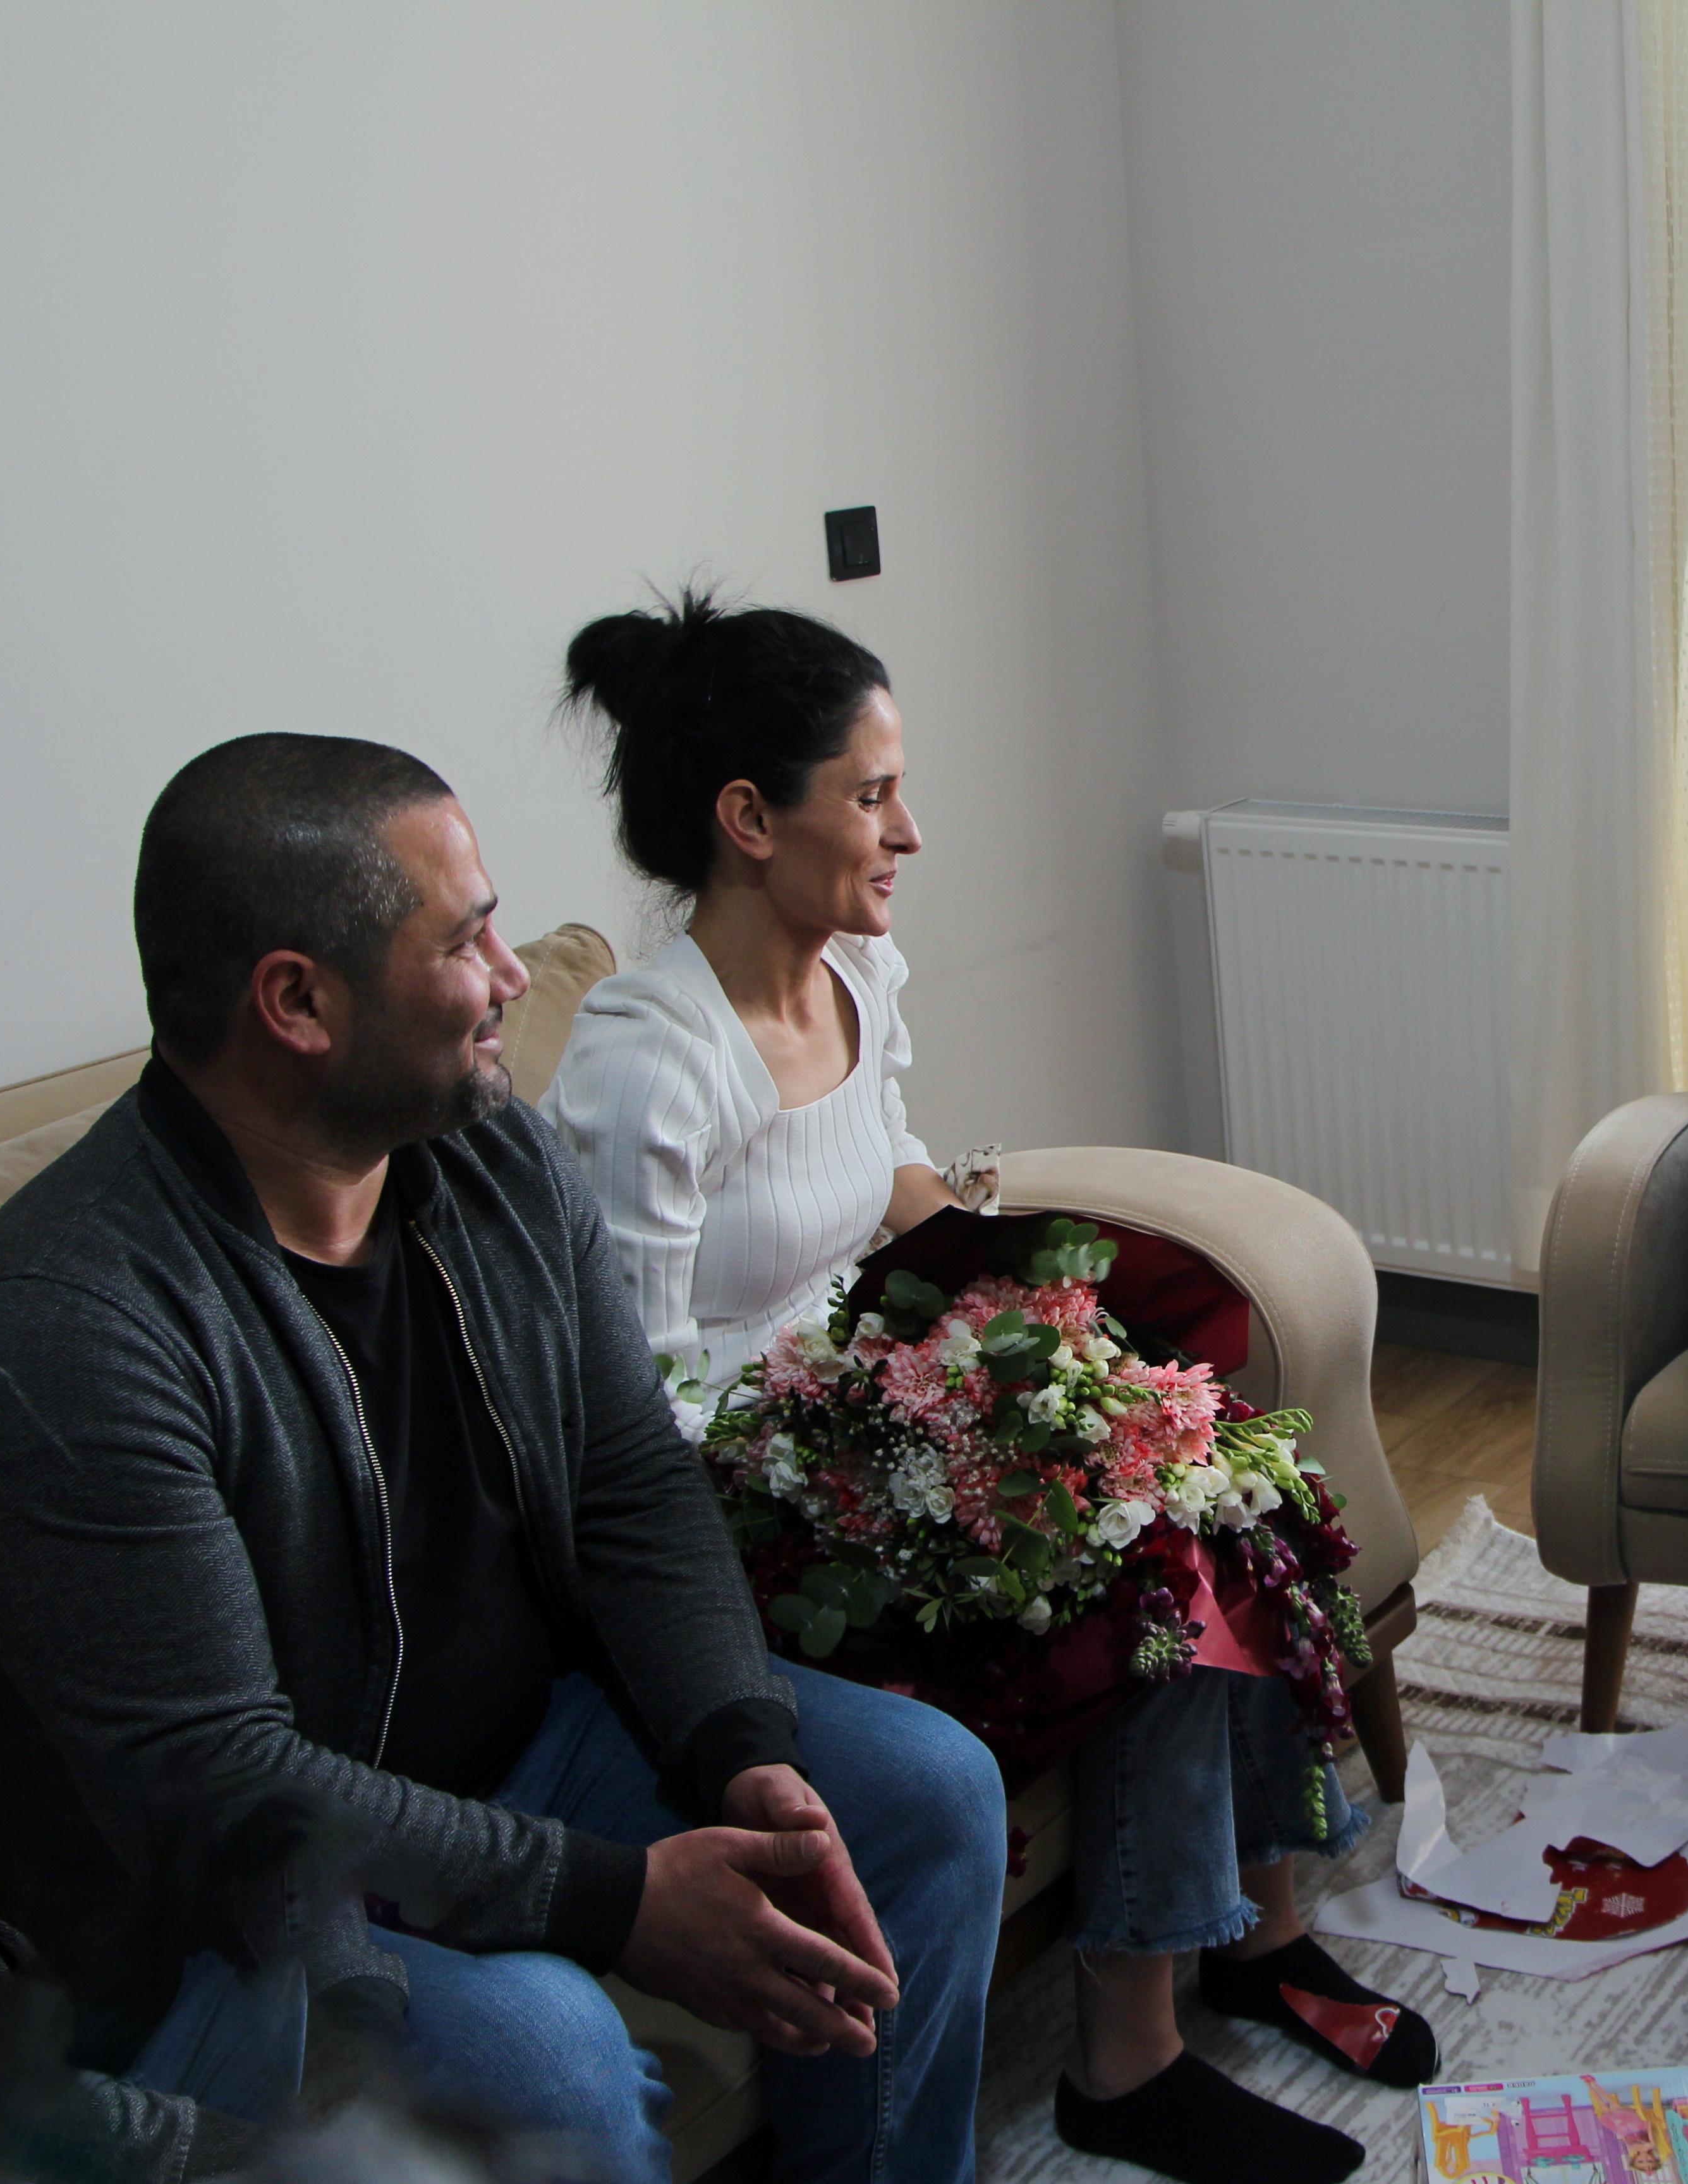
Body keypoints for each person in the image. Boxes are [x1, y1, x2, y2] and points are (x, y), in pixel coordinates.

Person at [0, 734, 1011, 2184]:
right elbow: (222, 1788)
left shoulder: (491, 1157)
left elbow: (628, 1475)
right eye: (465, 940)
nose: (511, 976)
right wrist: (613, 1901)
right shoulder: (66, 1326)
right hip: (211, 1912)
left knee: (928, 1792)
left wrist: (738, 1748)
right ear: (297, 1001)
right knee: (547, 2053)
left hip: (520, 1745)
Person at [540, 594, 1435, 2184]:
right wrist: (908, 1454)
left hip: (876, 1429)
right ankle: (1128, 2062)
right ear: (750, 819)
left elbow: (889, 1178)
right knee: (1141, 1569)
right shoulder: (646, 1059)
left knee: (1213, 1478)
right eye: (872, 795)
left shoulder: (856, 971)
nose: (910, 833)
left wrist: (1046, 1340)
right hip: (740, 1518)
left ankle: (1258, 1928)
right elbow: (631, 1407)